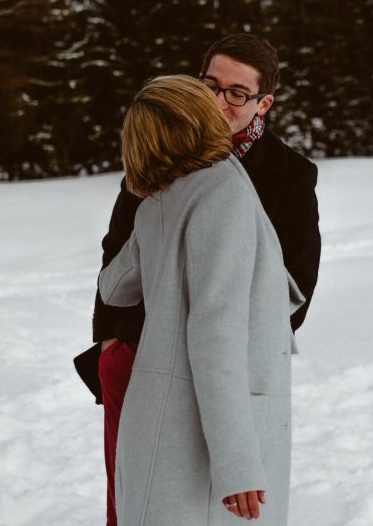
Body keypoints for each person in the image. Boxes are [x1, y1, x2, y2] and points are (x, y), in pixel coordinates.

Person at [73, 34, 321, 525]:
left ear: (263, 103)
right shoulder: (165, 160)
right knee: (135, 501)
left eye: (236, 93)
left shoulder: (285, 175)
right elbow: (116, 257)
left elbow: (290, 288)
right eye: (209, 85)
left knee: (185, 505)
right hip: (140, 357)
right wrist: (110, 345)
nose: (218, 100)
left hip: (224, 373)